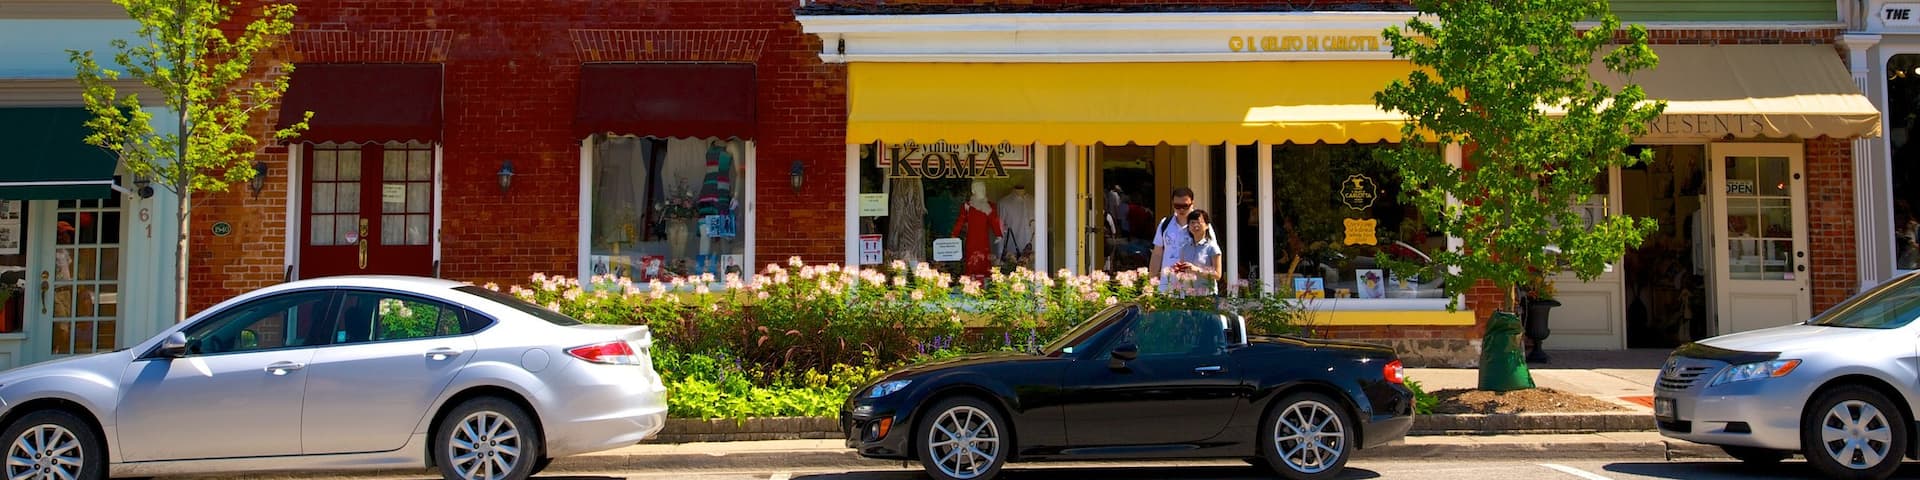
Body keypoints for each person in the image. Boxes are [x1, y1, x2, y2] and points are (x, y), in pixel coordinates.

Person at [1151, 187, 1215, 286]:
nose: (1181, 209)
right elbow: (1157, 253)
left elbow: (1213, 254)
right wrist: (1152, 279)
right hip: (1168, 285)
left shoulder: (1203, 226)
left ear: (1192, 203)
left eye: (1185, 206)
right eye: (1177, 206)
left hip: (1195, 287)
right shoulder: (1165, 223)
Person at [1170, 209, 1223, 296]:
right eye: (1192, 222)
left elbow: (1218, 275)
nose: (1195, 225)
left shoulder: (1212, 247)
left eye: (1199, 222)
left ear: (1207, 226)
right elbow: (1183, 273)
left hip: (1207, 296)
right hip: (1189, 295)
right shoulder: (1185, 248)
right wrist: (1178, 269)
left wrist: (1197, 270)